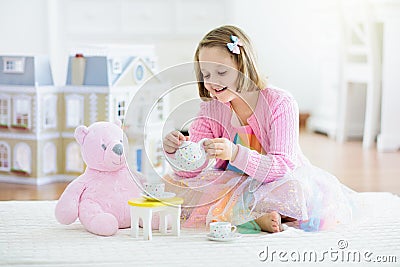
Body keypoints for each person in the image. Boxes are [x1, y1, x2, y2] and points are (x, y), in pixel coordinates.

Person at [163, 25, 355, 233]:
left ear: (243, 67)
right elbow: (194, 170)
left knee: (296, 191)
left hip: (275, 179)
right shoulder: (210, 107)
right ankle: (252, 218)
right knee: (173, 184)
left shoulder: (280, 103)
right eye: (206, 74)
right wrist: (178, 153)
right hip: (232, 183)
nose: (212, 82)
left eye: (221, 72)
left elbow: (282, 165)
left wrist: (235, 153)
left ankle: (245, 215)